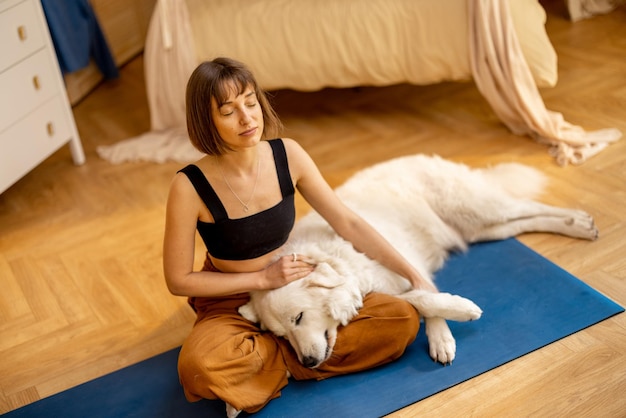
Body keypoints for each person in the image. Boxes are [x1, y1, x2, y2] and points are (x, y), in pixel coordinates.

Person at [163, 57, 436, 416]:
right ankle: (296, 352)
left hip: (298, 290)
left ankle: (271, 361)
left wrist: (414, 276)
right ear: (206, 120)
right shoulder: (188, 186)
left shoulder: (288, 154)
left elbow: (348, 224)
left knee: (400, 319)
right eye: (228, 111)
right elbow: (179, 280)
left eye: (250, 102)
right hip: (231, 296)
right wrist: (261, 278)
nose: (247, 118)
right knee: (198, 368)